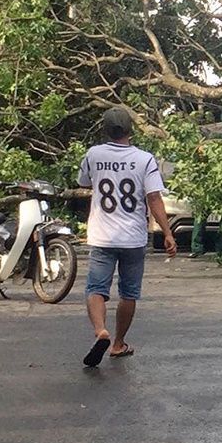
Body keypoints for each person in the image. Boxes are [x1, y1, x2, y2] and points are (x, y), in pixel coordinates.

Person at [77, 106, 174, 366]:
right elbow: (154, 197)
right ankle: (118, 343)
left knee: (96, 288)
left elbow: (84, 182)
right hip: (133, 237)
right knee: (129, 292)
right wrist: (167, 233)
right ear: (130, 130)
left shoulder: (93, 154)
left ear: (106, 130)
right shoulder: (145, 159)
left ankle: (101, 331)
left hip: (102, 236)